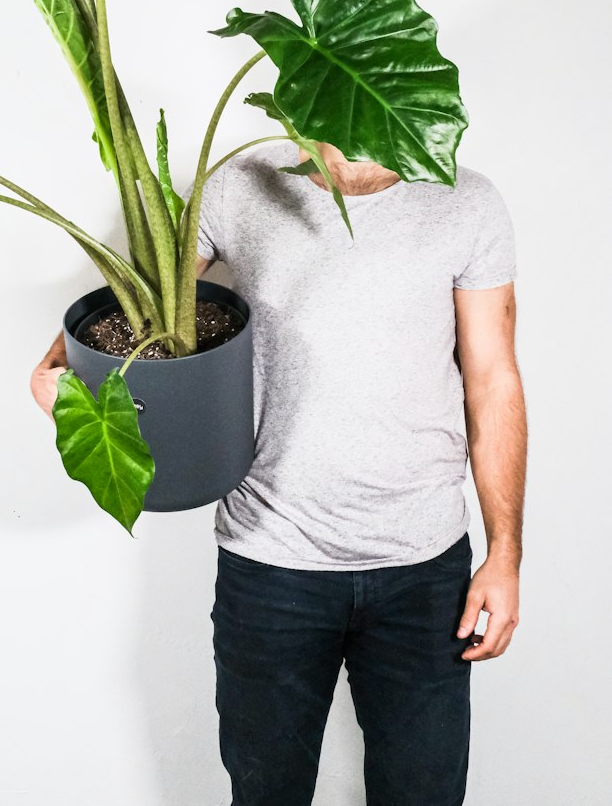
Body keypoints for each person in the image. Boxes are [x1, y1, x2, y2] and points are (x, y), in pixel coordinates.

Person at [30, 138, 526, 806]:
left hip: (425, 569)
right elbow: (144, 306)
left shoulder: (468, 200)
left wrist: (505, 556)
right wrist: (61, 366)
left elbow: (493, 380)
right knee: (266, 796)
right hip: (270, 564)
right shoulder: (239, 184)